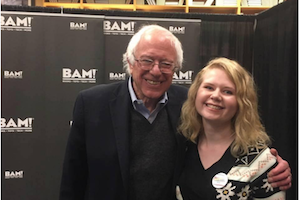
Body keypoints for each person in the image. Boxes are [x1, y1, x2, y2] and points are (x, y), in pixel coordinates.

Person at [59, 25, 291, 200]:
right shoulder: (92, 104)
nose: (156, 71)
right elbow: (73, 179)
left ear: (176, 69)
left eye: (166, 64)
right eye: (147, 60)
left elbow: (236, 149)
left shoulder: (188, 105)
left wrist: (270, 165)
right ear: (130, 63)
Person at [176, 57, 289, 200]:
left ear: (241, 103)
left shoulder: (261, 161)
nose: (215, 96)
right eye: (209, 87)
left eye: (227, 92)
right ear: (195, 94)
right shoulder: (183, 145)